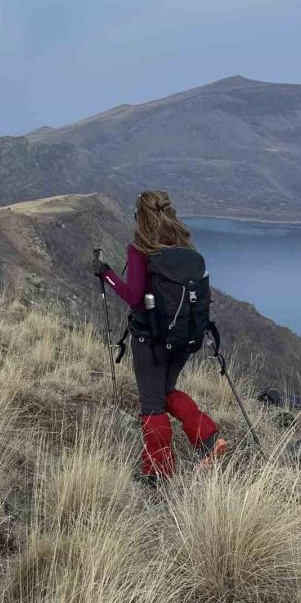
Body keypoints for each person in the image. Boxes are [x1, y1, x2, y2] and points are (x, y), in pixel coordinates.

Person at [93, 190, 228, 485]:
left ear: (140, 217)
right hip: (183, 339)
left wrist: (106, 274)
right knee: (166, 392)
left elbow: (134, 297)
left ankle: (157, 473)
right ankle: (207, 437)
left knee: (152, 403)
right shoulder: (188, 251)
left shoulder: (141, 250)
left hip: (150, 341)